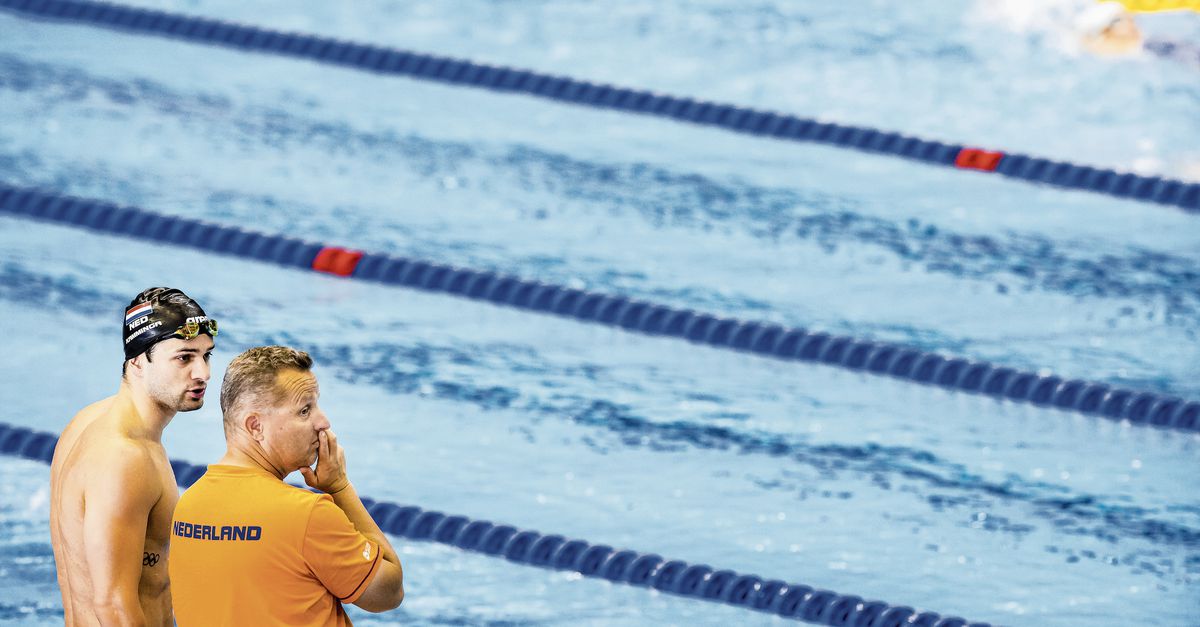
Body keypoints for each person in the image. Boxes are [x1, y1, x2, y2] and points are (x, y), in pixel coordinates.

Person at [169, 346, 403, 625]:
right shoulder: (306, 514)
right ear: (255, 426)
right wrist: (340, 488)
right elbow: (388, 593)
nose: (323, 422)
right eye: (305, 410)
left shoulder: (188, 506)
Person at [50, 287, 218, 626]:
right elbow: (113, 606)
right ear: (138, 361)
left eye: (206, 355)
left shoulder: (89, 419)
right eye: (184, 357)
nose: (203, 373)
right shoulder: (126, 459)